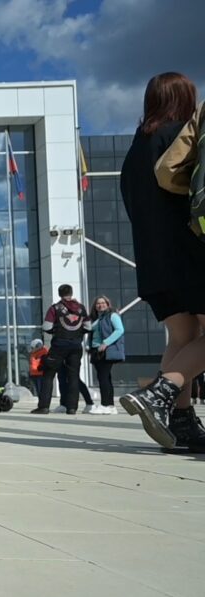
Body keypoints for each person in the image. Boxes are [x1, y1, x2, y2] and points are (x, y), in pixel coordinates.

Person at [118, 73, 205, 450]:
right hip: (188, 252)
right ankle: (161, 392)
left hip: (152, 261)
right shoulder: (181, 139)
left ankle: (181, 421)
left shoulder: (134, 150)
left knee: (183, 336)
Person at [32, 284, 90, 415]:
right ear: (71, 292)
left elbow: (46, 326)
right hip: (76, 346)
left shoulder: (55, 308)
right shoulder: (81, 308)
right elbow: (89, 326)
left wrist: (56, 332)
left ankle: (43, 406)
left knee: (49, 373)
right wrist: (78, 334)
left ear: (59, 294)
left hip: (59, 345)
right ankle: (72, 408)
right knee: (74, 376)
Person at [87, 296, 125, 415]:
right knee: (105, 378)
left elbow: (120, 330)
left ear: (108, 304)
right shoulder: (96, 318)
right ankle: (110, 406)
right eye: (98, 303)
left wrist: (106, 343)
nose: (100, 305)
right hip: (96, 350)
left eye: (103, 303)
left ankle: (105, 405)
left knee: (103, 378)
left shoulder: (112, 315)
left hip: (106, 351)